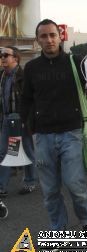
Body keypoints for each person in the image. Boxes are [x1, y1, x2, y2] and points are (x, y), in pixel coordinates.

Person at [20, 19, 87, 231]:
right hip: (42, 136)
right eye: (44, 36)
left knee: (75, 184)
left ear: (60, 37)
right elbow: (26, 98)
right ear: (38, 40)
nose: (49, 40)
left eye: (52, 35)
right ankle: (58, 227)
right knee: (50, 190)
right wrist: (29, 126)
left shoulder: (76, 62)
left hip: (71, 133)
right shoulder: (32, 68)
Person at [0, 46, 36, 197]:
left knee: (26, 150)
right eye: (1, 55)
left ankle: (29, 182)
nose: (2, 58)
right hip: (7, 118)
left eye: (5, 55)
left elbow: (31, 99)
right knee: (5, 152)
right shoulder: (2, 75)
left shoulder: (23, 75)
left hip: (20, 118)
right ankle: (2, 186)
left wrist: (27, 119)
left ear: (15, 58)